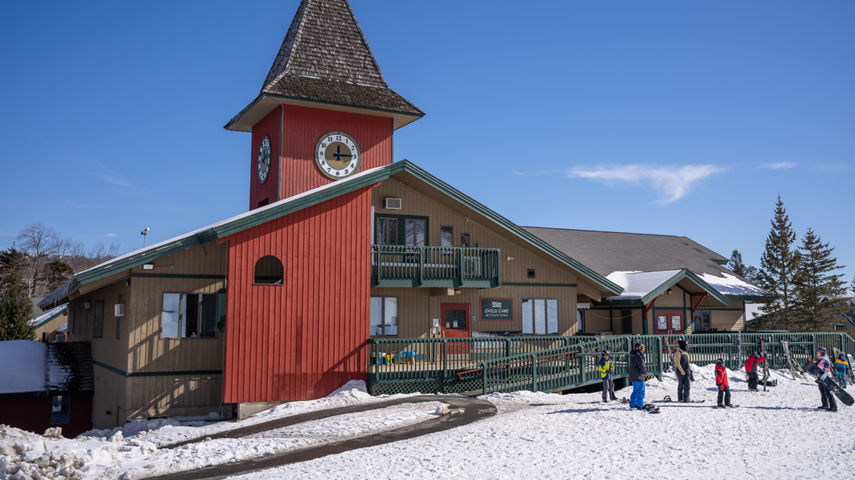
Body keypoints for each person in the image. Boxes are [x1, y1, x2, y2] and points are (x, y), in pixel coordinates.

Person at [814, 347, 837, 412]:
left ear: (821, 352)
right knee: (822, 392)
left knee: (828, 392)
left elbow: (827, 368)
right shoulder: (820, 359)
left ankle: (833, 407)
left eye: (818, 351)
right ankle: (825, 405)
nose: (817, 352)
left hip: (826, 378)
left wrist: (822, 372)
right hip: (821, 377)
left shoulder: (825, 359)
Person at [629, 342, 647, 410]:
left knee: (635, 390)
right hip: (638, 375)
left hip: (633, 375)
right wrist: (644, 371)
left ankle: (633, 404)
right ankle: (639, 404)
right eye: (643, 348)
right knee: (641, 390)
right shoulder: (638, 356)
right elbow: (641, 365)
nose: (643, 350)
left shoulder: (633, 354)